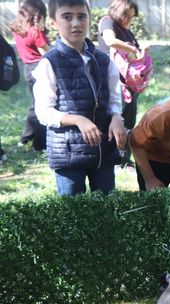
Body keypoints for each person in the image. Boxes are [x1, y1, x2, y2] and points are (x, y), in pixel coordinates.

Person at [33, 0, 127, 196]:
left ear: (89, 19)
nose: (76, 23)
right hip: (68, 155)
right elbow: (43, 112)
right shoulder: (49, 63)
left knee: (106, 207)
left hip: (103, 151)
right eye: (67, 17)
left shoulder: (104, 60)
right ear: (54, 22)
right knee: (72, 213)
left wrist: (117, 118)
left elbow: (114, 99)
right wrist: (78, 120)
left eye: (81, 16)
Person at [98, 0, 147, 167]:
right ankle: (114, 158)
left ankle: (124, 160)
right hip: (115, 84)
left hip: (130, 85)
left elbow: (134, 56)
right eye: (127, 15)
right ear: (118, 11)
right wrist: (132, 50)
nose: (128, 20)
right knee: (117, 120)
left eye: (132, 17)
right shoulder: (107, 21)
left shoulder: (126, 30)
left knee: (129, 121)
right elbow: (111, 41)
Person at [10, 0, 49, 151]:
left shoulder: (18, 29)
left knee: (35, 105)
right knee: (43, 106)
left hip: (28, 68)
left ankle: (26, 138)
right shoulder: (35, 31)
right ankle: (40, 144)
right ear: (37, 13)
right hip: (40, 68)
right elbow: (46, 53)